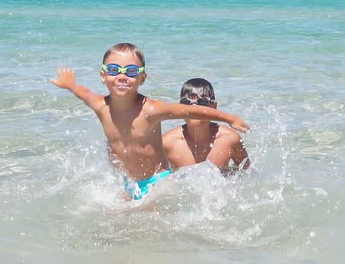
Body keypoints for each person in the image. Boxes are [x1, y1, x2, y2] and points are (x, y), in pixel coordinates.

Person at [50, 43, 249, 200]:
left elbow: (190, 110)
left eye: (131, 71)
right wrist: (69, 84)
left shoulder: (151, 110)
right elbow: (83, 93)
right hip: (128, 182)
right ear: (103, 75)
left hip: (159, 182)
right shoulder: (100, 105)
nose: (121, 76)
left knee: (141, 220)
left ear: (142, 78)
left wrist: (230, 118)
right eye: (113, 69)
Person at [162, 78, 250, 175]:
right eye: (186, 102)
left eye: (202, 101)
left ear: (214, 106)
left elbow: (247, 174)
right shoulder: (167, 143)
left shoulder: (230, 139)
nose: (194, 108)